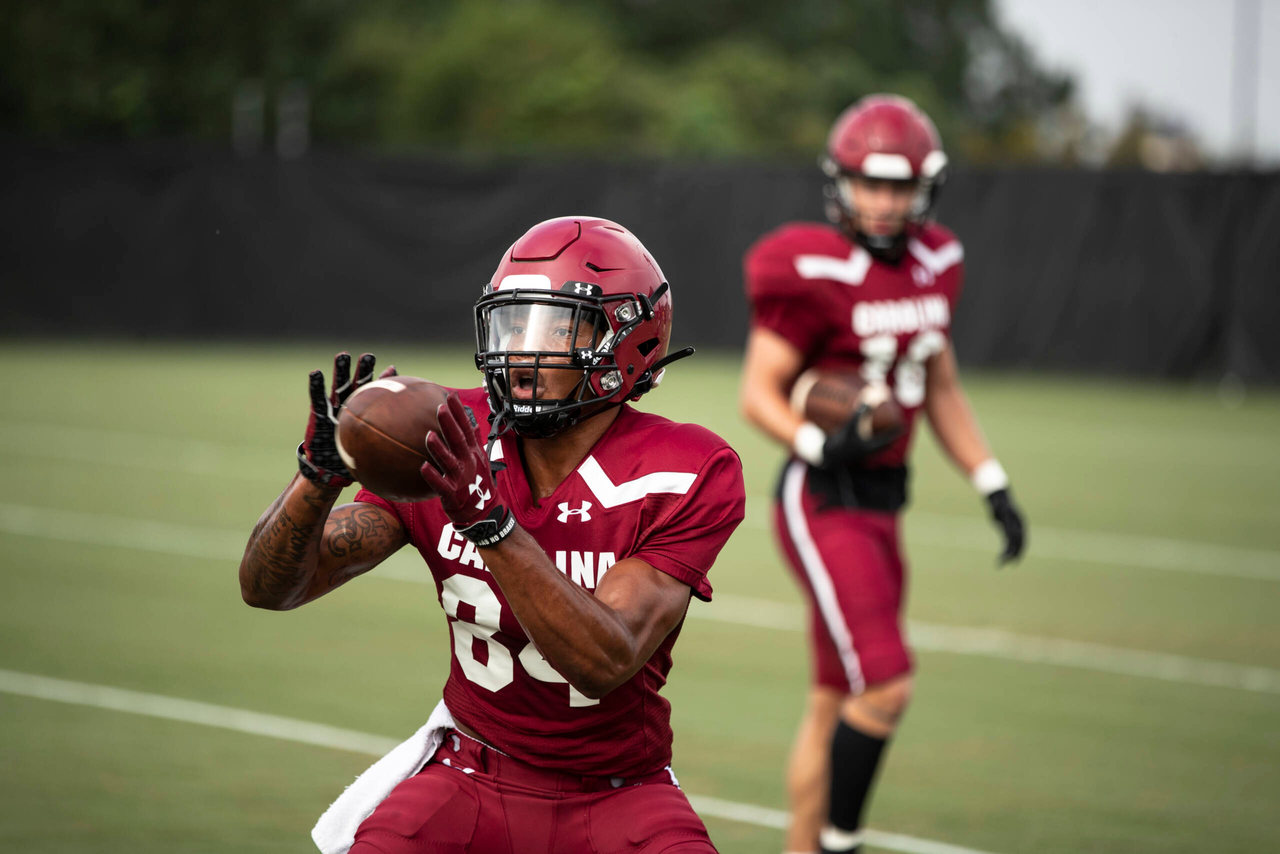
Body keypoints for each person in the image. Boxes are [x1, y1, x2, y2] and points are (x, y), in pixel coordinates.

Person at [239, 216, 746, 854]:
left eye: (556, 329)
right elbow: (270, 588)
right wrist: (316, 479)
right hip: (467, 775)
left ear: (626, 344)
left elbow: (604, 661)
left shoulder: (685, 468)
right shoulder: (452, 433)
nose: (521, 355)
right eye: (512, 325)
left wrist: (490, 522)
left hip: (619, 793)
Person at [738, 95, 1027, 854]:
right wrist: (816, 442)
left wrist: (991, 481)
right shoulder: (810, 266)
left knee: (832, 699)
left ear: (924, 189)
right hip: (823, 498)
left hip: (885, 505)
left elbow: (940, 386)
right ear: (842, 183)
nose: (884, 201)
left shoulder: (938, 263)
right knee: (887, 684)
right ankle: (841, 841)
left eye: (898, 187)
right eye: (870, 183)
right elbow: (757, 393)